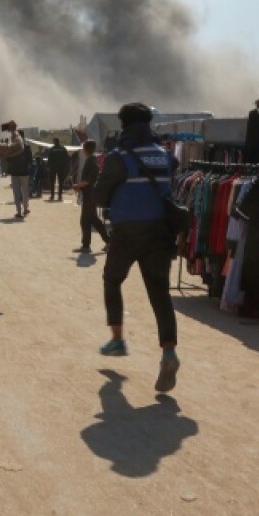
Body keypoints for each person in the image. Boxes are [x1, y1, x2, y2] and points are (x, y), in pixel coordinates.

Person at [93, 103, 180, 392]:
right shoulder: (165, 155)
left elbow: (101, 195)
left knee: (112, 279)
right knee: (159, 293)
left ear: (123, 125)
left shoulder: (120, 156)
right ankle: (169, 352)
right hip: (160, 231)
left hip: (128, 230)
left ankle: (117, 339)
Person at [73, 139, 110, 253]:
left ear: (85, 149)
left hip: (90, 194)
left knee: (86, 220)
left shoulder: (91, 162)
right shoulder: (92, 160)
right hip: (90, 194)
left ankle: (87, 246)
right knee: (93, 220)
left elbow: (89, 180)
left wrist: (78, 185)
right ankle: (108, 242)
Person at [5, 129, 33, 218]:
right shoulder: (27, 147)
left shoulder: (11, 147)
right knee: (25, 192)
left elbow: (7, 159)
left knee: (16, 193)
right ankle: (25, 209)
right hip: (24, 172)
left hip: (14, 172)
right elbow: (30, 160)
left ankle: (18, 212)